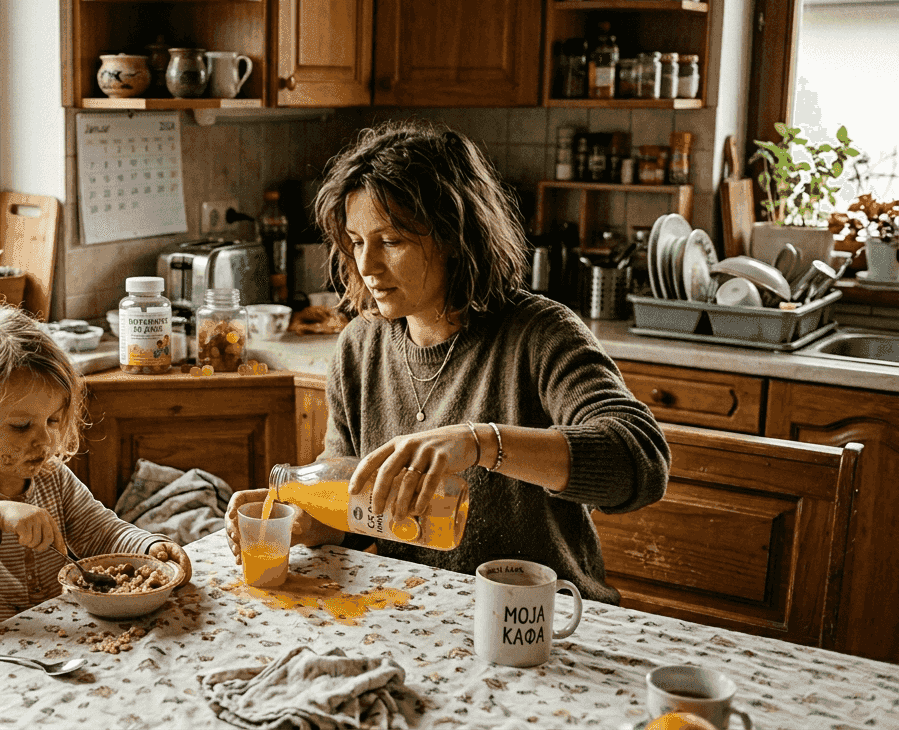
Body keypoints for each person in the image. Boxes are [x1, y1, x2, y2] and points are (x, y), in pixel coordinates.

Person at [226, 120, 669, 604]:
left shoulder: (541, 334)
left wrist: (481, 442)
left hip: (542, 620)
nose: (367, 266)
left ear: (455, 237)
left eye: (391, 241)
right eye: (356, 241)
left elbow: (639, 461)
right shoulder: (360, 347)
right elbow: (359, 509)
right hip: (423, 613)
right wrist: (308, 521)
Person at [0, 304, 192, 656]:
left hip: (44, 655)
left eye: (52, 421)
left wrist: (149, 550)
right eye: (21, 426)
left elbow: (101, 531)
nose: (45, 441)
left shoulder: (51, 477)